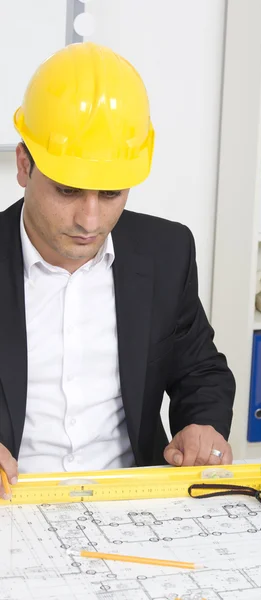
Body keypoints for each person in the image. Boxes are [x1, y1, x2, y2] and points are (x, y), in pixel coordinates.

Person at [0, 42, 235, 499]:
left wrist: (200, 424)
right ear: (25, 165)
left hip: (132, 502)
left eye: (111, 194)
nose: (90, 221)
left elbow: (200, 370)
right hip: (14, 507)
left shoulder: (168, 252)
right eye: (68, 191)